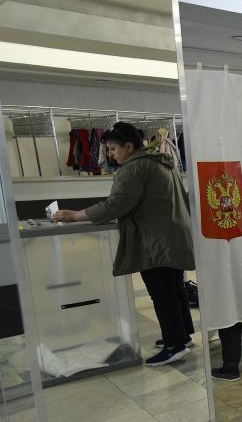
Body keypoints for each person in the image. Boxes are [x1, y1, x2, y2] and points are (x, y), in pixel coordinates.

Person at [52, 122, 195, 366]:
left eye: (113, 149)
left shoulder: (134, 169)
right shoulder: (162, 161)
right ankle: (182, 335)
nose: (110, 155)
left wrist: (75, 215)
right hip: (174, 234)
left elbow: (116, 204)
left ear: (128, 147)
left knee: (162, 293)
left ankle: (175, 345)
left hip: (155, 241)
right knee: (174, 288)